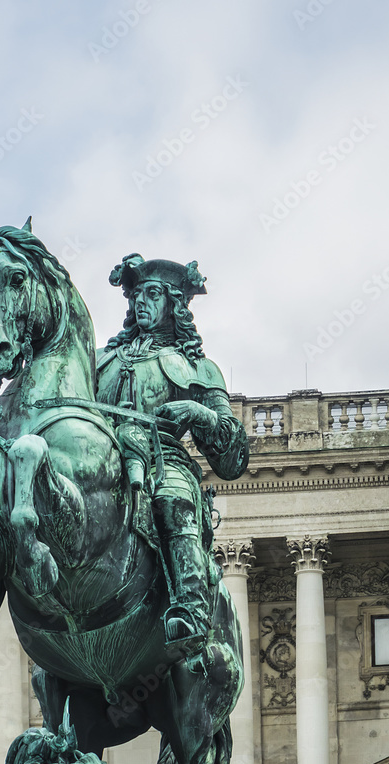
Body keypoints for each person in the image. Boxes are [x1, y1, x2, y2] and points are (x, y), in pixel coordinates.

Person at [97, 254, 249, 651]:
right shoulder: (101, 362)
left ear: (174, 305)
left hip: (163, 460)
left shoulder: (196, 367)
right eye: (135, 296)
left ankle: (191, 608)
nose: (140, 303)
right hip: (101, 457)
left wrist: (198, 413)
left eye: (151, 294)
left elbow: (233, 457)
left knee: (174, 501)